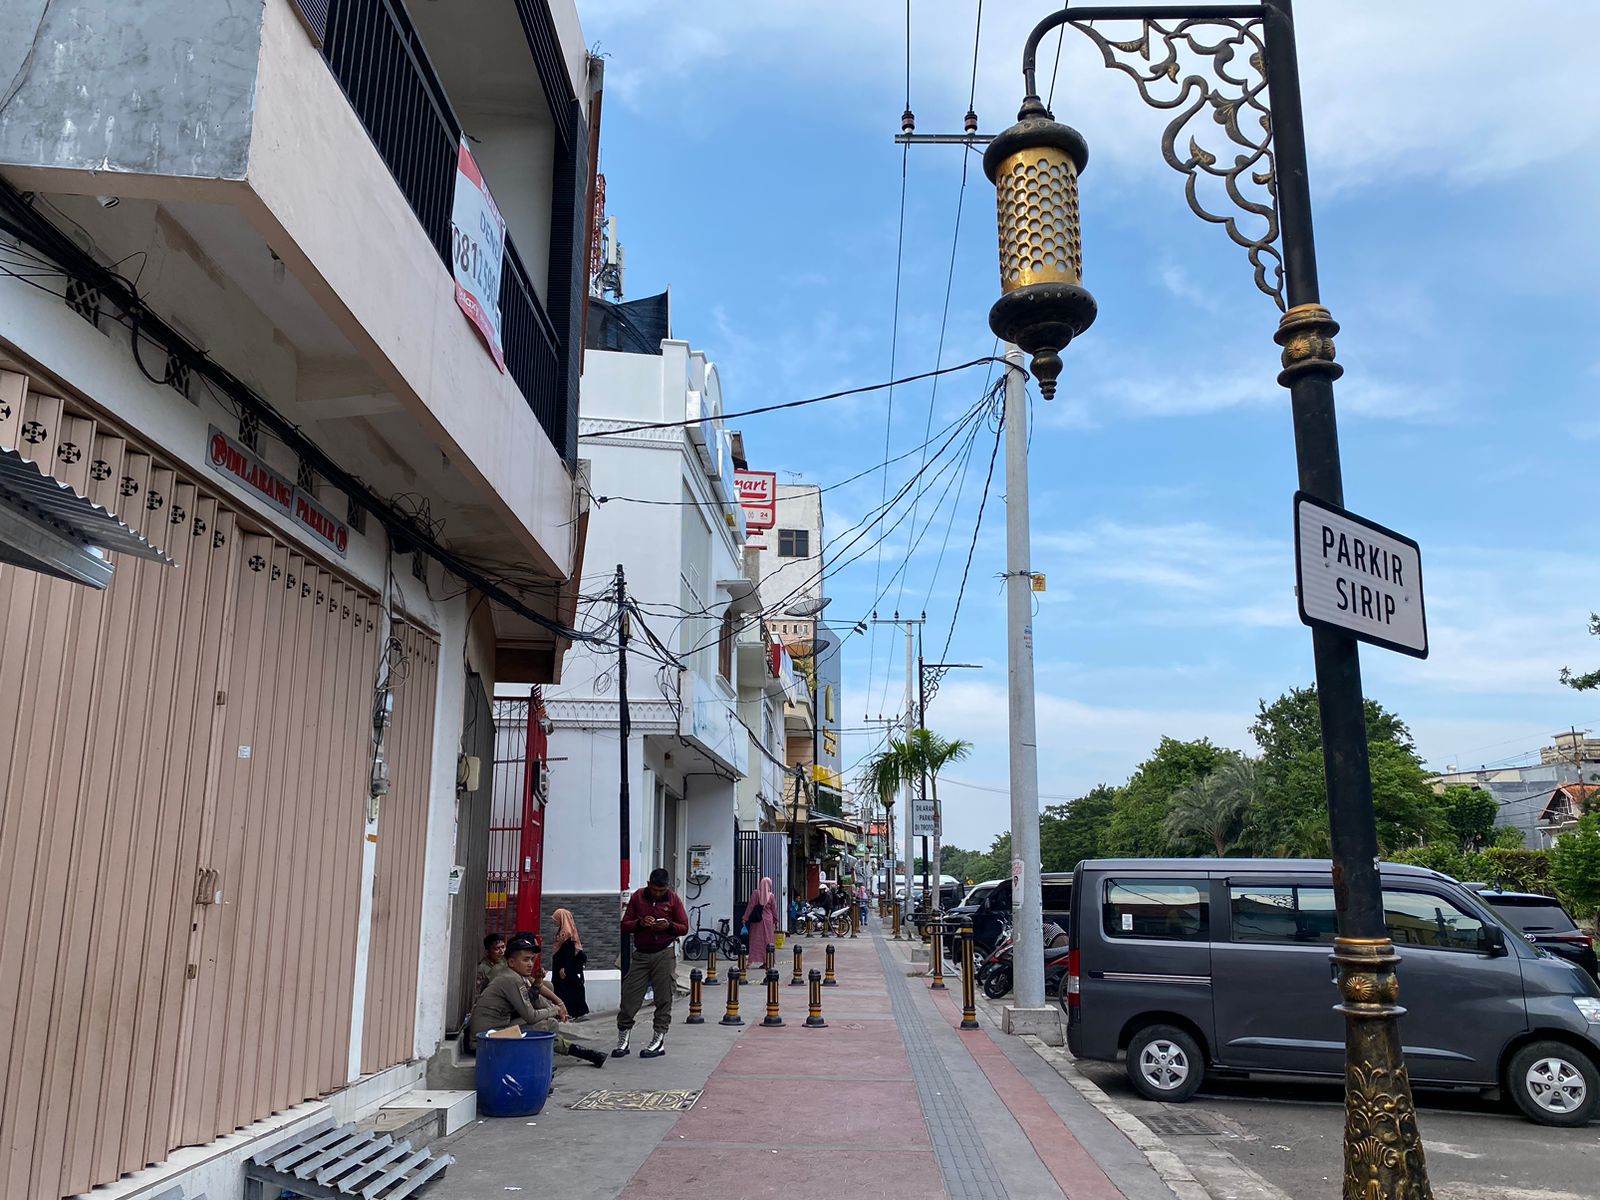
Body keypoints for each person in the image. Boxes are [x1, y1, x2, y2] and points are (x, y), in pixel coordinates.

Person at [470, 935, 607, 1067]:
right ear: (511, 962)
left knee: (547, 1022)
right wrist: (554, 1010)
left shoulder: (515, 975)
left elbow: (533, 998)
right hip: (486, 1039)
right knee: (545, 1025)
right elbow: (531, 1016)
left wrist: (554, 1004)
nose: (530, 964)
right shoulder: (510, 978)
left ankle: (577, 1053)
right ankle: (540, 1065)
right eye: (526, 960)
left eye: (532, 959)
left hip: (496, 1029)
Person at [614, 867, 687, 1059]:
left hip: (664, 953)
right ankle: (623, 1037)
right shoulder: (638, 897)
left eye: (661, 890)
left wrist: (669, 926)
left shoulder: (673, 900)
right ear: (648, 884)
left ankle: (658, 1039)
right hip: (641, 954)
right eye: (654, 889)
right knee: (630, 996)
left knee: (664, 997)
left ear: (667, 887)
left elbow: (684, 927)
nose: (657, 893)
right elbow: (625, 924)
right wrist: (639, 923)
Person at [550, 907, 590, 1020]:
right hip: (560, 967)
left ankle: (571, 1012)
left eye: (556, 918)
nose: (554, 921)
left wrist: (564, 968)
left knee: (566, 990)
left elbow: (568, 953)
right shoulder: (562, 932)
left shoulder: (566, 934)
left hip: (564, 968)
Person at [741, 877, 777, 965]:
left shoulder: (756, 893)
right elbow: (774, 909)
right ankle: (767, 962)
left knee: (755, 940)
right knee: (768, 941)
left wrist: (745, 917)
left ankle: (751, 961)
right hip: (768, 921)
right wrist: (776, 920)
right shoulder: (771, 896)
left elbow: (751, 906)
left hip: (757, 921)